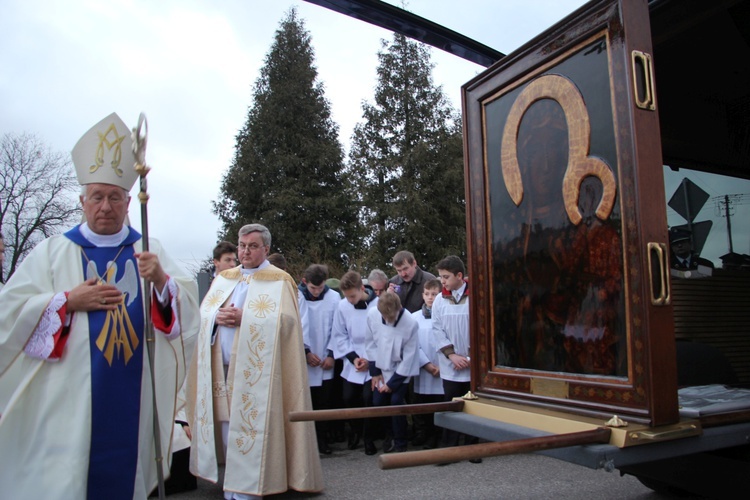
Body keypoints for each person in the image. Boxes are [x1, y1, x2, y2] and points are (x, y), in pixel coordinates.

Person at [0, 112, 201, 498]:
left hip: (134, 394)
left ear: (129, 202)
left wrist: (161, 281)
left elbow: (186, 320)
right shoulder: (53, 252)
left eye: (114, 197)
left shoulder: (149, 251)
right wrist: (66, 301)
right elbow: (10, 312)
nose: (105, 206)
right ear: (82, 201)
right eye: (97, 196)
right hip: (67, 399)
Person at [185, 223, 323, 500]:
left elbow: (287, 325)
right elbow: (202, 316)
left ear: (266, 249)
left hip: (258, 371)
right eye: (242, 245)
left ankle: (251, 486)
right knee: (226, 423)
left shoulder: (280, 279)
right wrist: (215, 319)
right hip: (221, 367)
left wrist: (244, 318)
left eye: (252, 246)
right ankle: (233, 482)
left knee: (252, 425)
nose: (245, 251)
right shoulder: (224, 278)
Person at [431, 255, 480, 461]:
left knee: (473, 407)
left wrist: (469, 357)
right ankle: (449, 450)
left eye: (446, 277)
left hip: (473, 363)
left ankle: (472, 449)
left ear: (459, 276)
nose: (442, 281)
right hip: (451, 365)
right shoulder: (440, 301)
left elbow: (481, 326)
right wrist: (452, 355)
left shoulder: (476, 296)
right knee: (450, 405)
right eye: (441, 277)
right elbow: (437, 329)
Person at [330, 270, 379, 455]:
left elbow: (383, 335)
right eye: (346, 296)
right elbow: (339, 335)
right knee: (348, 398)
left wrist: (370, 360)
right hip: (353, 359)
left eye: (352, 296)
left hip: (373, 359)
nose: (350, 300)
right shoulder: (343, 306)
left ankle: (369, 437)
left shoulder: (378, 304)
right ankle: (356, 432)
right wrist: (353, 358)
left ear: (361, 288)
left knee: (368, 399)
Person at [365, 292, 420, 453]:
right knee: (378, 402)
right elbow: (370, 343)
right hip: (380, 367)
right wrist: (375, 372)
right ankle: (388, 435)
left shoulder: (410, 323)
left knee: (396, 402)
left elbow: (410, 356)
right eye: (385, 317)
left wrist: (392, 383)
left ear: (399, 308)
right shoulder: (373, 315)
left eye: (392, 317)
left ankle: (400, 441)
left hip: (400, 370)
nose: (388, 321)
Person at [299, 264, 340, 454]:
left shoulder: (333, 298)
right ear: (305, 282)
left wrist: (331, 354)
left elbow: (338, 328)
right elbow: (297, 327)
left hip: (325, 358)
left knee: (325, 402)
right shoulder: (297, 297)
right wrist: (305, 352)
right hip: (305, 358)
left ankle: (323, 441)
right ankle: (307, 443)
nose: (316, 292)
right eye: (313, 288)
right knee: (308, 402)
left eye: (320, 288)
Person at [411, 278, 444, 449]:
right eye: (427, 294)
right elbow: (412, 345)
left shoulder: (445, 315)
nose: (430, 297)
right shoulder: (414, 318)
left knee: (440, 405)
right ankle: (426, 434)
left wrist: (441, 365)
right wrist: (427, 365)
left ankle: (439, 437)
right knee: (425, 405)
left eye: (434, 294)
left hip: (443, 368)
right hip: (424, 369)